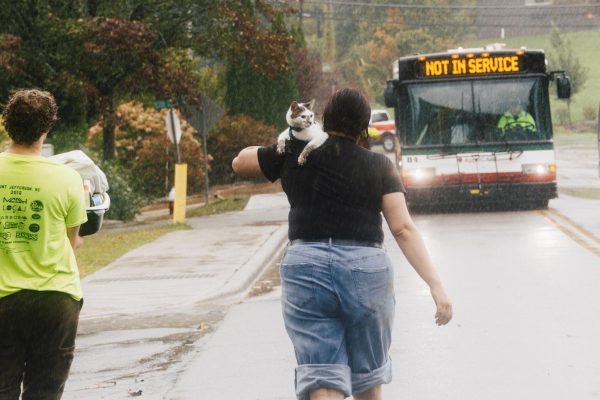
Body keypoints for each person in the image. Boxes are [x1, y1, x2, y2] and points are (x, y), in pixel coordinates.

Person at [232, 88, 452, 400]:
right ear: (364, 127)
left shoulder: (295, 155)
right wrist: (435, 285)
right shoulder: (379, 166)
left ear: (323, 118)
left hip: (306, 267)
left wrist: (285, 144)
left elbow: (239, 163)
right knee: (367, 379)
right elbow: (402, 228)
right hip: (365, 272)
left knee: (322, 377)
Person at [0, 89, 88, 399]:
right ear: (46, 128)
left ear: (6, 123)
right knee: (45, 393)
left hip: (3, 300)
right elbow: (72, 240)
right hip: (55, 299)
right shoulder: (68, 178)